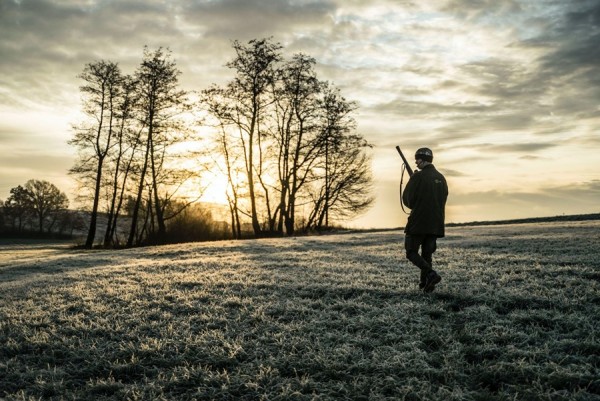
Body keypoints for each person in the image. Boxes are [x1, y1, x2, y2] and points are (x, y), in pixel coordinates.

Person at [402, 147, 448, 292]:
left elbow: (408, 200)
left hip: (418, 222)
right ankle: (425, 284)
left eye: (417, 159)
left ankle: (430, 274)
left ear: (422, 160)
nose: (415, 162)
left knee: (411, 252)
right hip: (436, 223)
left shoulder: (418, 177)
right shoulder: (441, 178)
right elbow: (443, 199)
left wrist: (414, 181)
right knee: (427, 254)